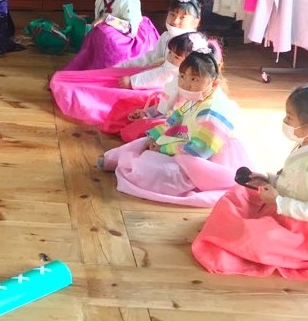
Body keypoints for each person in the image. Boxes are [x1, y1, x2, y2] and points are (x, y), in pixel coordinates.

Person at [191, 85, 308, 280]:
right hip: (285, 208)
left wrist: (279, 202)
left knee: (255, 236)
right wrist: (269, 179)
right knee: (235, 196)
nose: (285, 122)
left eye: (289, 117)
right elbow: (294, 181)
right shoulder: (305, 145)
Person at [98, 43, 255, 208]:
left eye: (194, 79)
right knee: (145, 140)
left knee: (153, 170)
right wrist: (157, 138)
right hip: (187, 144)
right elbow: (176, 121)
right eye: (183, 76)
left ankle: (129, 163)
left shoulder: (214, 111)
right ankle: (114, 159)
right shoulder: (197, 98)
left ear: (213, 84)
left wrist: (164, 148)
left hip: (207, 160)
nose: (186, 84)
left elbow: (200, 150)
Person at [48, 0, 202, 127]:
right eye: (172, 14)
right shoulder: (167, 36)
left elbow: (166, 74)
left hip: (168, 88)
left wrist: (133, 81)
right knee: (108, 77)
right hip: (152, 75)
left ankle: (78, 95)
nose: (175, 20)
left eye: (182, 17)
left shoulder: (190, 44)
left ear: (196, 22)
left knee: (111, 91)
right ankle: (68, 84)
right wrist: (123, 67)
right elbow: (151, 57)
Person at [101, 31, 210, 142]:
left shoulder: (193, 91)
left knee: (138, 131)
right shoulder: (174, 75)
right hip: (164, 115)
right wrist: (147, 112)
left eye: (176, 57)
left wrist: (152, 118)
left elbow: (179, 116)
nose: (170, 59)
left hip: (177, 125)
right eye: (170, 53)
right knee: (124, 112)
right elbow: (165, 104)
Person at [59, 0, 159, 71]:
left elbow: (131, 31)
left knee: (104, 31)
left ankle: (112, 66)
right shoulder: (99, 1)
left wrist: (107, 18)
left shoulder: (129, 1)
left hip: (133, 42)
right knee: (99, 32)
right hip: (113, 39)